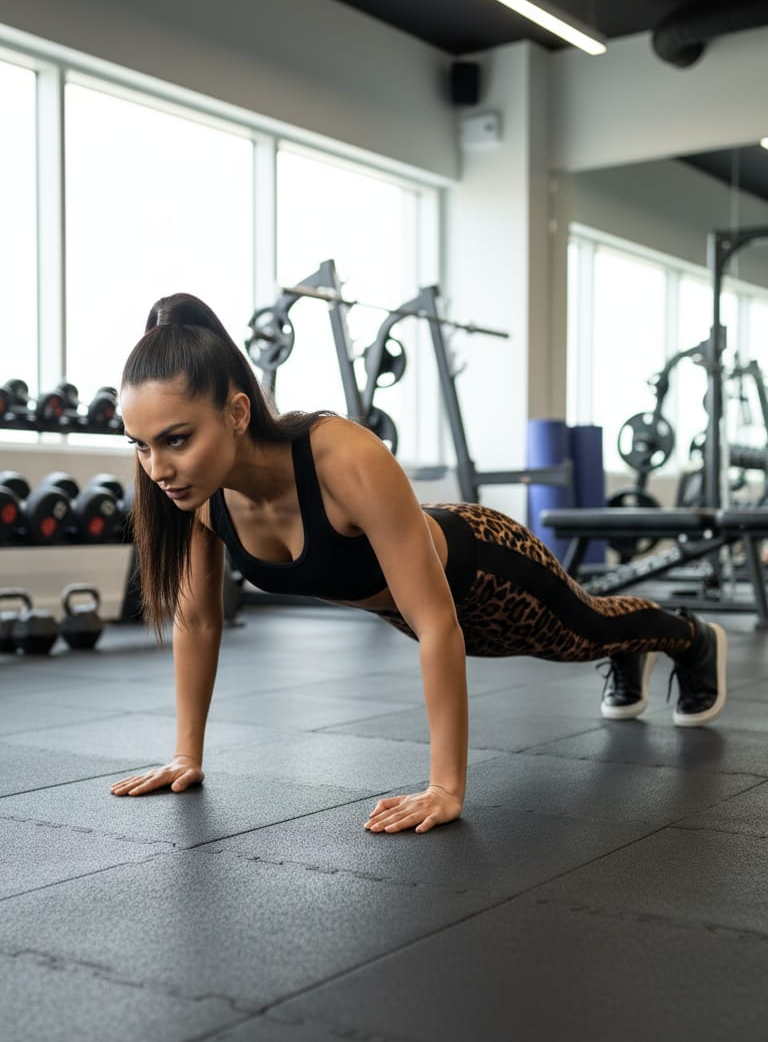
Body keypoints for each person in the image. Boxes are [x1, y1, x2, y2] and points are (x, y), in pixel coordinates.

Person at [111, 293, 728, 833]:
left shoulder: (340, 456)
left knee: (587, 629)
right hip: (414, 608)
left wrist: (445, 788)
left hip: (487, 569)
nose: (158, 468)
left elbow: (437, 622)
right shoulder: (197, 501)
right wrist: (186, 755)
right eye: (141, 445)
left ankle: (692, 637)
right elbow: (196, 622)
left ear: (238, 413)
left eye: (176, 439)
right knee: (588, 634)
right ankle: (631, 648)